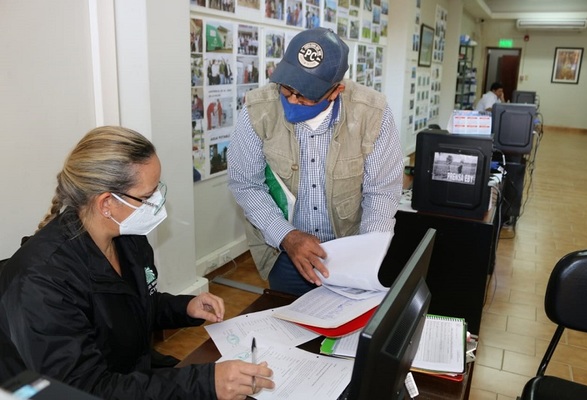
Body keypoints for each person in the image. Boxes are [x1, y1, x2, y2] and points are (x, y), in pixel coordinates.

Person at [0, 126, 273, 399]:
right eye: (146, 197)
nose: (157, 203)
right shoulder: (42, 282)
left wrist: (184, 307)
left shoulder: (126, 236)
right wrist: (205, 383)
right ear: (107, 203)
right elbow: (83, 389)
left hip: (133, 376)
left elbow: (130, 306)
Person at [228, 28, 404, 296]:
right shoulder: (257, 110)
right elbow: (246, 184)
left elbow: (381, 191)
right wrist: (287, 237)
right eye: (287, 89)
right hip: (285, 252)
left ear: (335, 91)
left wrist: (366, 256)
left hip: (349, 247)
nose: (292, 99)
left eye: (304, 95)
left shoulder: (372, 113)